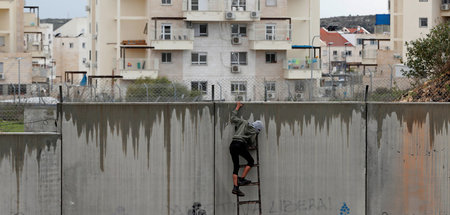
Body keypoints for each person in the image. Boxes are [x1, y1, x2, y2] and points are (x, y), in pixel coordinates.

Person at [229, 101, 264, 196]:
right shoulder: (254, 132)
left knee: (236, 166)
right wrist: (253, 137)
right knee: (251, 161)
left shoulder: (244, 122)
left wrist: (237, 107)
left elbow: (232, 118)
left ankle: (236, 188)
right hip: (240, 144)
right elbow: (251, 143)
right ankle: (242, 179)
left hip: (232, 144)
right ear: (258, 129)